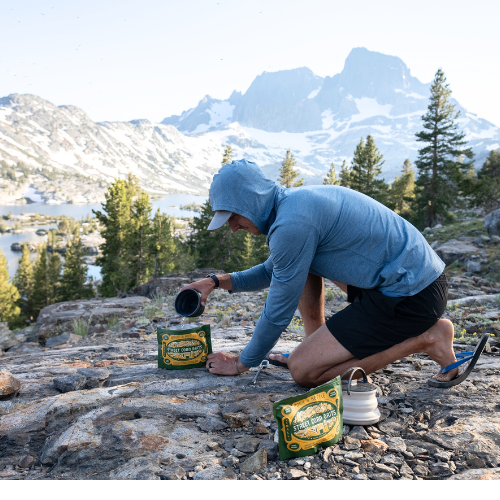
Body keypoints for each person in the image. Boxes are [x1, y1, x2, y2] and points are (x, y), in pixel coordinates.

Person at [181, 159, 459, 387]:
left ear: (250, 201)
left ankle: (427, 338)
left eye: (233, 217)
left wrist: (242, 362)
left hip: (411, 296)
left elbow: (278, 309)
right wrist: (215, 281)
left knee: (304, 371)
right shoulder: (294, 204)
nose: (233, 227)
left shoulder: (293, 224)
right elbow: (275, 270)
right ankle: (318, 347)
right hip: (410, 283)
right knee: (302, 268)